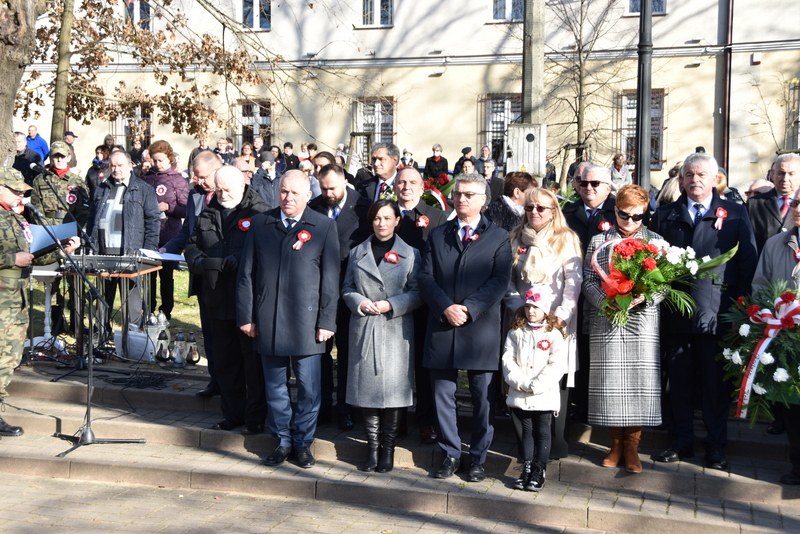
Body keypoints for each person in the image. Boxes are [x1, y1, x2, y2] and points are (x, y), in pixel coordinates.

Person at [649, 152, 758, 470]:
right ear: (680, 180)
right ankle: (681, 440)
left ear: (714, 179)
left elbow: (746, 265)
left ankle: (715, 445)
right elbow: (655, 262)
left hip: (717, 315)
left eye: (701, 174)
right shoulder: (666, 215)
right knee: (679, 382)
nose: (694, 179)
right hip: (677, 313)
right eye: (688, 174)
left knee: (713, 386)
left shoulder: (736, 214)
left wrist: (737, 310)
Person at [236, 170, 340, 469]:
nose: (288, 198)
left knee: (309, 387)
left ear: (309, 195)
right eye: (283, 191)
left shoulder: (322, 227)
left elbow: (330, 280)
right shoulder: (261, 224)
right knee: (275, 387)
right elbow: (246, 275)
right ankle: (282, 440)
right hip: (268, 319)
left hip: (307, 323)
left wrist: (326, 321)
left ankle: (303, 442)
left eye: (295, 192)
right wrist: (247, 316)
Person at [418, 173, 512, 482]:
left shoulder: (498, 237)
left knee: (482, 398)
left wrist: (469, 309)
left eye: (470, 195)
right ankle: (450, 453)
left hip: (480, 328)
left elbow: (500, 280)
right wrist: (445, 307)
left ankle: (478, 459)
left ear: (484, 200)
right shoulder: (438, 234)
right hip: (443, 324)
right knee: (442, 395)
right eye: (458, 193)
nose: (462, 199)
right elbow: (425, 278)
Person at [582, 185, 664, 474]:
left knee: (639, 383)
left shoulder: (656, 242)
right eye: (623, 214)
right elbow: (588, 280)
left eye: (636, 216)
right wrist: (606, 301)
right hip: (608, 319)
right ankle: (615, 443)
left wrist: (647, 295)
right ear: (614, 210)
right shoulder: (598, 241)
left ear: (646, 215)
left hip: (642, 323)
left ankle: (633, 445)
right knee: (611, 384)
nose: (629, 222)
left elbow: (665, 283)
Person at [185, 166, 268, 433]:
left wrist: (242, 262)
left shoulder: (259, 212)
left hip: (248, 300)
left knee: (252, 363)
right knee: (225, 360)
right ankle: (232, 413)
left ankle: (255, 417)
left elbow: (267, 252)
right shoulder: (208, 212)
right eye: (218, 188)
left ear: (243, 184)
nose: (222, 193)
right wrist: (199, 261)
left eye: (227, 189)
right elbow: (192, 244)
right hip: (216, 295)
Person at [342, 199, 422, 472]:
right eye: (377, 218)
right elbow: (347, 287)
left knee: (393, 391)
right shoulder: (357, 253)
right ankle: (372, 448)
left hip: (395, 329)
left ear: (398, 220)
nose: (382, 223)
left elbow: (418, 292)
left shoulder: (410, 254)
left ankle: (388, 448)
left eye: (388, 218)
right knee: (368, 391)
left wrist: (393, 304)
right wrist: (359, 302)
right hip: (365, 327)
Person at [0, 167, 80, 438]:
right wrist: (12, 260)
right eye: (15, 189)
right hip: (2, 300)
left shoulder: (15, 217)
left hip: (17, 299)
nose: (21, 194)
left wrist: (62, 247)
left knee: (8, 357)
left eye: (22, 190)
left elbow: (33, 254)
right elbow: (17, 257)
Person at [506, 187, 582, 460]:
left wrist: (559, 317)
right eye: (529, 207)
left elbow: (573, 284)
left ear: (553, 212)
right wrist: (519, 310)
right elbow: (509, 282)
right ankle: (526, 449)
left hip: (555, 324)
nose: (534, 212)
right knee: (522, 375)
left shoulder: (566, 239)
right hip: (522, 323)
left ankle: (553, 446)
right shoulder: (515, 238)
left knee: (552, 379)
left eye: (541, 208)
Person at [308, 163, 370, 430]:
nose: (328, 193)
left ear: (345, 182)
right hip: (319, 289)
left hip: (349, 287)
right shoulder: (312, 207)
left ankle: (345, 407)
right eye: (323, 188)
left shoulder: (365, 207)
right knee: (319, 350)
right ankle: (321, 405)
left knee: (346, 352)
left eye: (332, 188)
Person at [393, 167, 449, 444]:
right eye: (401, 182)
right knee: (397, 364)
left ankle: (426, 421)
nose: (406, 187)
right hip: (391, 303)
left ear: (422, 187)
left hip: (426, 303)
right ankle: (398, 419)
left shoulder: (437, 217)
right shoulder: (385, 214)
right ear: (394, 186)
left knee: (424, 366)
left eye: (412, 182)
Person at [161, 151, 223, 399]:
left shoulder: (231, 192)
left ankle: (232, 384)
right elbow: (188, 230)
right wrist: (167, 249)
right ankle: (215, 380)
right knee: (207, 330)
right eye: (195, 175)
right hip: (200, 273)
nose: (197, 180)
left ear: (218, 171)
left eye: (202, 176)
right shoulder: (197, 194)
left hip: (224, 273)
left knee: (225, 334)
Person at [750, 186, 800, 485]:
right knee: (792, 407)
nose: (798, 208)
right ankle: (797, 466)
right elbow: (760, 284)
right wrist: (769, 315)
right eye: (796, 202)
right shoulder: (775, 243)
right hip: (786, 337)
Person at [562, 164, 616, 424]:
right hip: (575, 293)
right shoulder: (567, 212)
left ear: (608, 186)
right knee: (579, 351)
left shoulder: (618, 211)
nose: (588, 188)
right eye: (584, 183)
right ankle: (579, 405)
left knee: (602, 354)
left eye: (595, 184)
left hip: (610, 294)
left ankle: (600, 406)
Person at [502, 284, 567, 492]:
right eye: (528, 306)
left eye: (536, 307)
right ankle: (527, 466)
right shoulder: (516, 332)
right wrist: (521, 383)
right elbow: (508, 360)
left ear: (546, 310)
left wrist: (537, 385)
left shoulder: (554, 335)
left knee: (543, 430)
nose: (531, 311)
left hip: (544, 394)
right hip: (521, 392)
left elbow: (557, 365)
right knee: (527, 430)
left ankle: (540, 468)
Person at [86, 150, 160, 328]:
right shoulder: (101, 189)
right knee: (103, 300)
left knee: (132, 303)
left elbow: (153, 221)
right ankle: (100, 335)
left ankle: (132, 338)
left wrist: (148, 252)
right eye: (112, 165)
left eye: (120, 165)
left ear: (130, 165)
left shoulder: (144, 189)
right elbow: (91, 220)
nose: (116, 169)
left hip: (130, 254)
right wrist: (90, 245)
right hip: (103, 254)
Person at [142, 140, 189, 320]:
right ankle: (149, 309)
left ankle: (166, 310)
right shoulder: (146, 178)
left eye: (160, 160)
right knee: (149, 276)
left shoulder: (178, 180)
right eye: (154, 160)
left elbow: (185, 209)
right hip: (149, 234)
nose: (157, 164)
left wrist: (168, 207)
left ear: (169, 158)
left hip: (169, 234)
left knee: (166, 275)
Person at [748, 154, 800, 252]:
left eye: (791, 174)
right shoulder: (754, 204)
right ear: (772, 174)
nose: (785, 179)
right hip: (764, 263)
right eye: (781, 173)